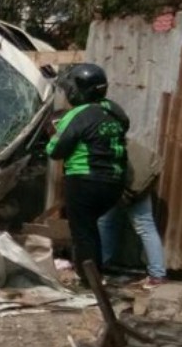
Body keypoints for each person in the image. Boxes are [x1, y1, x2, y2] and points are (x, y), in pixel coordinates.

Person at [47, 63, 128, 279]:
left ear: (78, 91)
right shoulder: (114, 111)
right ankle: (96, 275)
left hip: (85, 182)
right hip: (115, 183)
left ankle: (90, 282)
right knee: (92, 230)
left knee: (83, 233)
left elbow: (55, 150)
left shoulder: (77, 115)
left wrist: (52, 135)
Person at [98, 141, 167, 289]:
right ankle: (157, 275)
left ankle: (97, 268)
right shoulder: (112, 130)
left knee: (105, 222)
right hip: (141, 180)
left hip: (126, 182)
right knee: (144, 225)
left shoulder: (95, 138)